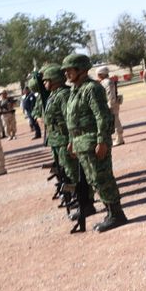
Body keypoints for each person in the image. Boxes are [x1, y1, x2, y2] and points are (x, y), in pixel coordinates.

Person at [61, 53, 125, 231]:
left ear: (81, 70)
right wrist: (72, 141)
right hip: (81, 141)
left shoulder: (92, 88)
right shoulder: (75, 90)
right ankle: (110, 212)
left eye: (69, 70)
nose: (66, 73)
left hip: (93, 141)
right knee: (93, 179)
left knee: (102, 178)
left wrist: (102, 141)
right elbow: (72, 119)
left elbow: (102, 116)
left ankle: (116, 214)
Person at [41, 62, 93, 232]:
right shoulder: (54, 94)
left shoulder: (63, 95)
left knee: (75, 174)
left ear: (54, 80)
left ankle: (86, 204)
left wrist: (72, 140)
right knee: (68, 173)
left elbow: (69, 119)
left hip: (65, 140)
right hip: (58, 140)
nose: (44, 83)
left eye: (47, 80)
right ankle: (79, 201)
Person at [97, 67, 125, 146]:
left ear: (101, 74)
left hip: (111, 104)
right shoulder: (106, 81)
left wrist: (109, 105)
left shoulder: (107, 82)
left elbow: (110, 95)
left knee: (115, 121)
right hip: (111, 103)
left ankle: (119, 139)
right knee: (114, 121)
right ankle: (118, 138)